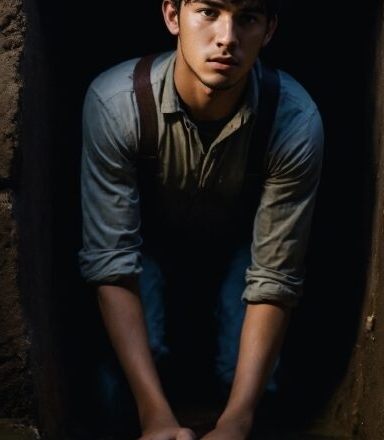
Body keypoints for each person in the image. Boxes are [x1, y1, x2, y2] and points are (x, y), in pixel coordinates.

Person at [78, 0, 324, 438]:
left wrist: (237, 419)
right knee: (115, 390)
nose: (227, 37)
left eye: (247, 18)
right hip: (146, 247)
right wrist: (154, 416)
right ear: (173, 16)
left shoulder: (293, 120)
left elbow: (275, 275)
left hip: (239, 249)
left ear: (269, 30)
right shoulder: (117, 103)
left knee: (256, 386)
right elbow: (111, 259)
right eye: (209, 11)